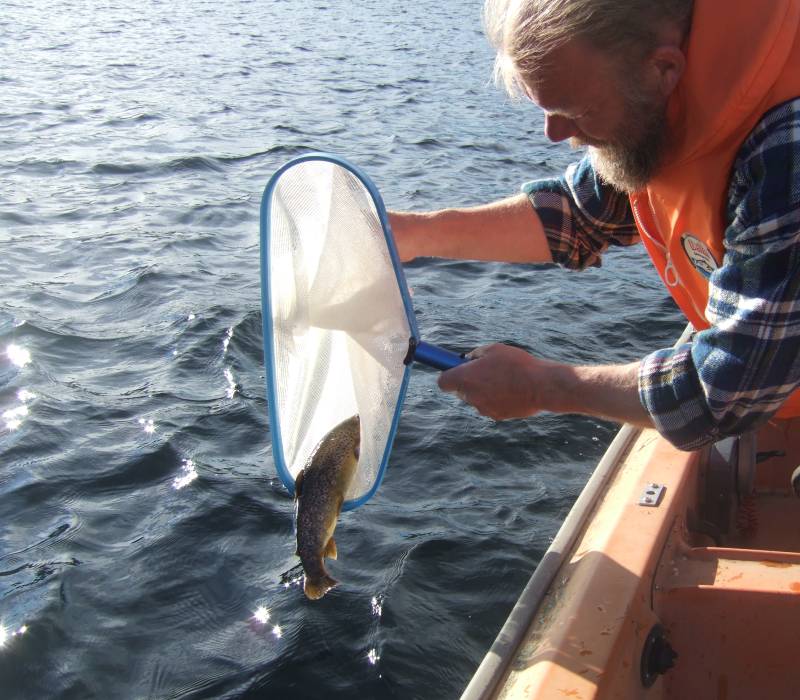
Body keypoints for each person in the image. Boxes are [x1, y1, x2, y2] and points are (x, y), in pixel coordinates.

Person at [389, 0, 800, 451]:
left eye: (577, 110)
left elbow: (726, 394)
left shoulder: (789, 151)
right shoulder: (670, 95)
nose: (554, 134)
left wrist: (542, 387)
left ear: (664, 68)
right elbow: (579, 213)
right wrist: (411, 233)